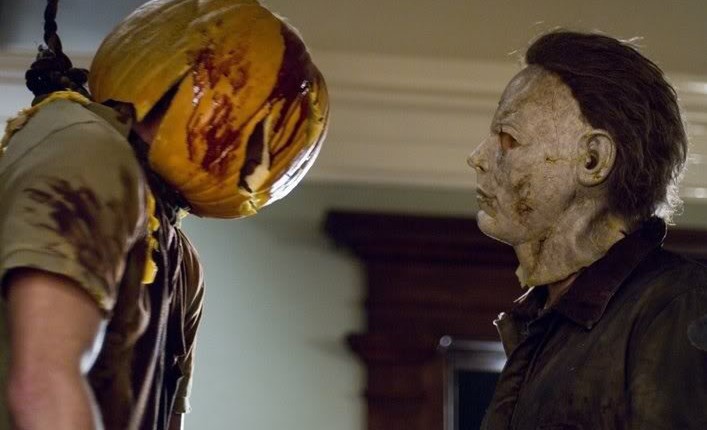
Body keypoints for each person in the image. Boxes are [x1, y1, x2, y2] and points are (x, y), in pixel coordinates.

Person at [0, 0, 329, 429]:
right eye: (259, 129)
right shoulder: (88, 152)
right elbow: (43, 385)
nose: (261, 160)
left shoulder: (180, 259)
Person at [467, 31, 707, 429]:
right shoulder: (542, 324)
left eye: (508, 138)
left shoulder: (677, 303)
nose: (476, 157)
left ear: (593, 160)